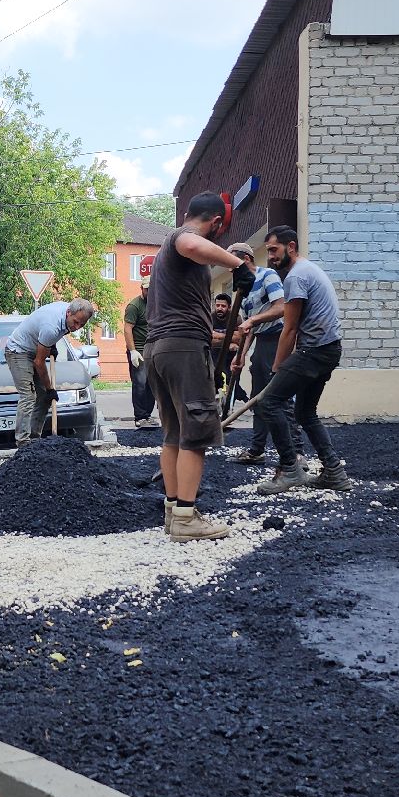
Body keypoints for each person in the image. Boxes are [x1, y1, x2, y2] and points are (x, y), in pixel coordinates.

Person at [147, 192, 254, 540]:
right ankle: (185, 519)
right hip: (182, 348)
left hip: (160, 348)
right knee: (195, 434)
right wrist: (238, 266)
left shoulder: (168, 253)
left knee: (174, 434)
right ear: (217, 222)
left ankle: (173, 512)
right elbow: (192, 244)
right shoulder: (182, 237)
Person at [255, 226, 355, 494]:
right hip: (329, 350)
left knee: (269, 402)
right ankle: (335, 473)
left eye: (274, 250)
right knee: (305, 412)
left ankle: (290, 470)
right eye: (268, 252)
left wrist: (276, 369)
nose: (271, 257)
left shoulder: (296, 277)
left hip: (314, 351)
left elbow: (289, 329)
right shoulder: (309, 270)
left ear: (291, 246)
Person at [226, 241, 301, 466]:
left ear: (246, 259)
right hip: (261, 341)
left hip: (279, 339)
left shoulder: (267, 275)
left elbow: (281, 307)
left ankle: (297, 453)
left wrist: (253, 320)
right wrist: (240, 355)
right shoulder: (243, 288)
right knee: (257, 398)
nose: (229, 269)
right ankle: (257, 450)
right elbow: (249, 328)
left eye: (231, 262)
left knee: (281, 397)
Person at [2, 297, 95, 446]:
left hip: (35, 347)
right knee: (28, 396)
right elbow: (39, 363)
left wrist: (51, 345)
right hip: (18, 351)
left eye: (82, 324)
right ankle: (23, 442)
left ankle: (34, 440)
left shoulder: (68, 312)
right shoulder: (51, 327)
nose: (77, 327)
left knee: (44, 397)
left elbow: (54, 333)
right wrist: (50, 388)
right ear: (69, 313)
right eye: (76, 322)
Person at [122, 277, 157, 429]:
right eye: (147, 289)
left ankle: (147, 415)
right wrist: (133, 351)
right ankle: (140, 417)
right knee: (140, 383)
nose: (149, 291)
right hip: (139, 350)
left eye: (152, 289)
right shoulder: (134, 306)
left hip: (154, 349)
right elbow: (127, 329)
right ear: (142, 288)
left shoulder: (157, 304)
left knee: (152, 384)